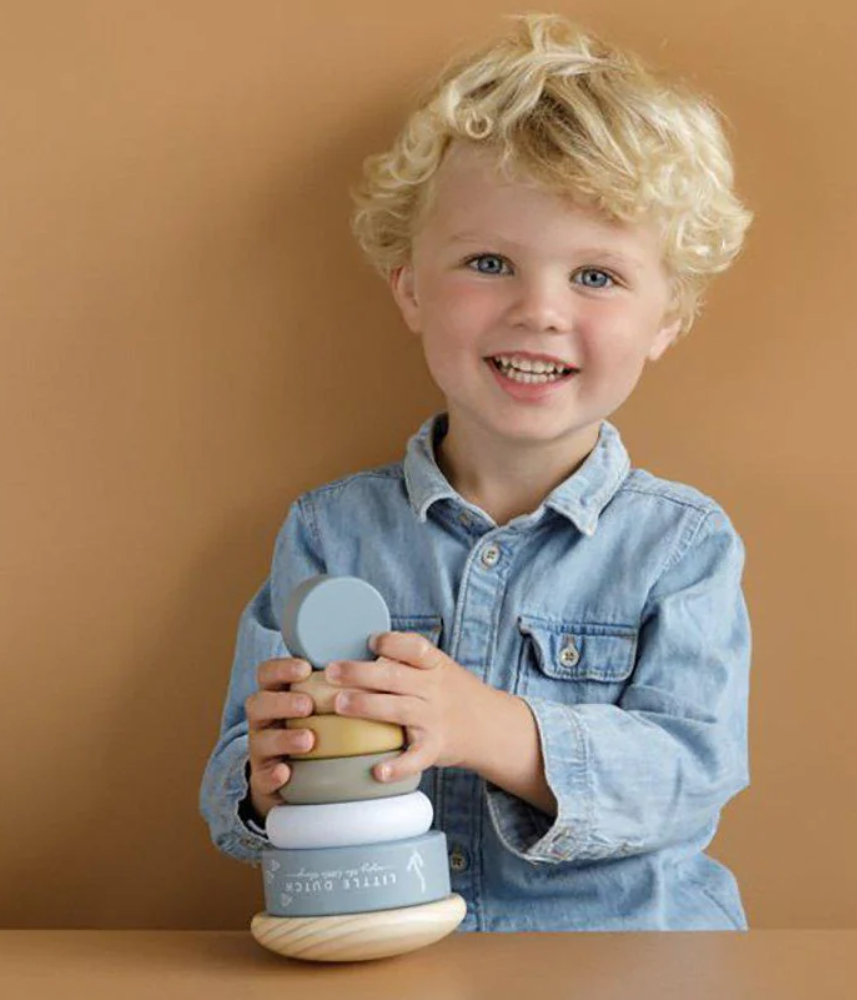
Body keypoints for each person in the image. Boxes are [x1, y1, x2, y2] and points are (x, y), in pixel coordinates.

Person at [199, 11, 755, 932]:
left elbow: (691, 774)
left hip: (626, 964)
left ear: (667, 317)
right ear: (411, 286)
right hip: (388, 956)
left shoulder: (681, 544)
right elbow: (234, 794)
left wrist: (488, 728)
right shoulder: (331, 534)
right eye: (490, 262)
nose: (539, 311)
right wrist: (267, 782)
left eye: (596, 276)